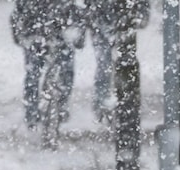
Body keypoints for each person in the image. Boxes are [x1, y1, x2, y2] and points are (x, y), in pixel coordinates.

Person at [11, 0, 83, 129]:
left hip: (56, 34)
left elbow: (78, 13)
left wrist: (76, 35)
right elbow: (18, 14)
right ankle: (33, 113)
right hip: (37, 34)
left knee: (63, 71)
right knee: (34, 74)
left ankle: (56, 106)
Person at [82, 0, 150, 123]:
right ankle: (113, 104)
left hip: (116, 21)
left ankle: (114, 104)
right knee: (108, 64)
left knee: (110, 64)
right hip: (110, 21)